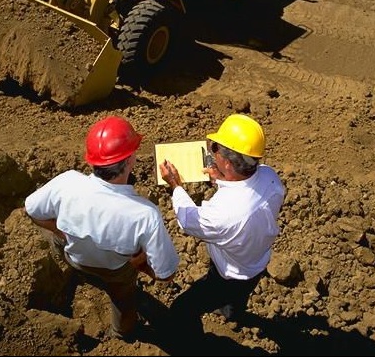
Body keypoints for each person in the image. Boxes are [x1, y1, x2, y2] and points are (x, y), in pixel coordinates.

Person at [24, 115, 179, 342]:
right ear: (128, 161)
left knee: (61, 242)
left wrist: (61, 231)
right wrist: (140, 264)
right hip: (115, 269)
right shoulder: (145, 215)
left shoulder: (68, 182)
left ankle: (82, 273)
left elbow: (31, 209)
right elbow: (166, 275)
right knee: (124, 299)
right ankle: (122, 334)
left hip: (73, 256)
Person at [159, 113, 285, 353]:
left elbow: (188, 220)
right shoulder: (270, 176)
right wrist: (222, 179)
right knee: (235, 301)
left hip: (228, 274)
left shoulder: (223, 214)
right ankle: (232, 312)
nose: (212, 151)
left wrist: (175, 186)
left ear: (228, 162)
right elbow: (244, 190)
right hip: (257, 263)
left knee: (183, 309)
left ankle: (194, 347)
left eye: (215, 148)